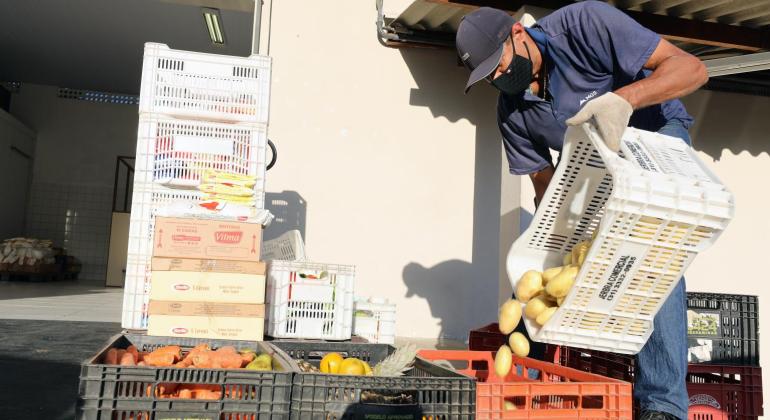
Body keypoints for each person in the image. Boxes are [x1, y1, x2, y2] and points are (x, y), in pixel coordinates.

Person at [455, 2, 708, 420]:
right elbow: (547, 192)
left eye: (498, 66)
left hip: (655, 130)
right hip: (597, 164)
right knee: (594, 258)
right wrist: (552, 251)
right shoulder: (513, 114)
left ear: (518, 33)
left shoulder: (584, 24)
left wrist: (624, 100)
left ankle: (664, 404)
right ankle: (531, 380)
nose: (499, 79)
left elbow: (692, 70)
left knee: (651, 247)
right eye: (488, 77)